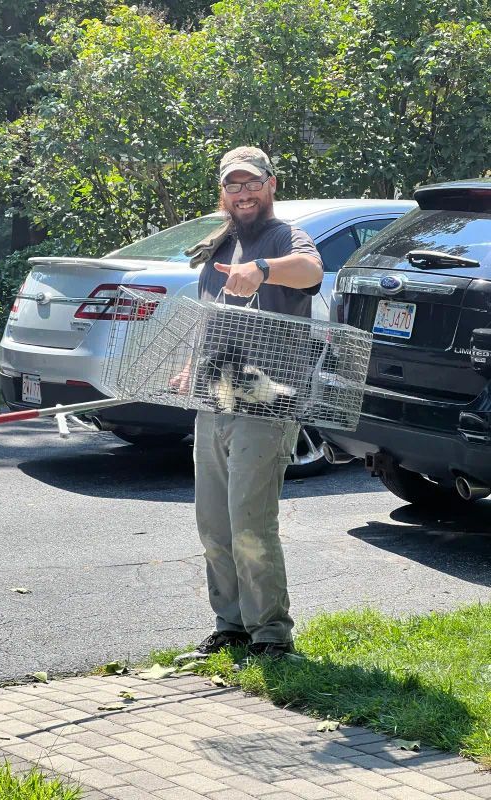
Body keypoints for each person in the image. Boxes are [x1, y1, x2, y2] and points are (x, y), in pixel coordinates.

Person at [173, 146, 324, 663]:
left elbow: (308, 272)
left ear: (271, 184)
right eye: (233, 185)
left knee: (249, 521)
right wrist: (193, 364)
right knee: (213, 522)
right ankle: (231, 626)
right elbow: (212, 316)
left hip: (269, 400)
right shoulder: (221, 244)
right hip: (215, 397)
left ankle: (272, 637)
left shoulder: (283, 239)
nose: (243, 193)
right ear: (223, 192)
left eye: (251, 183)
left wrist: (263, 269)